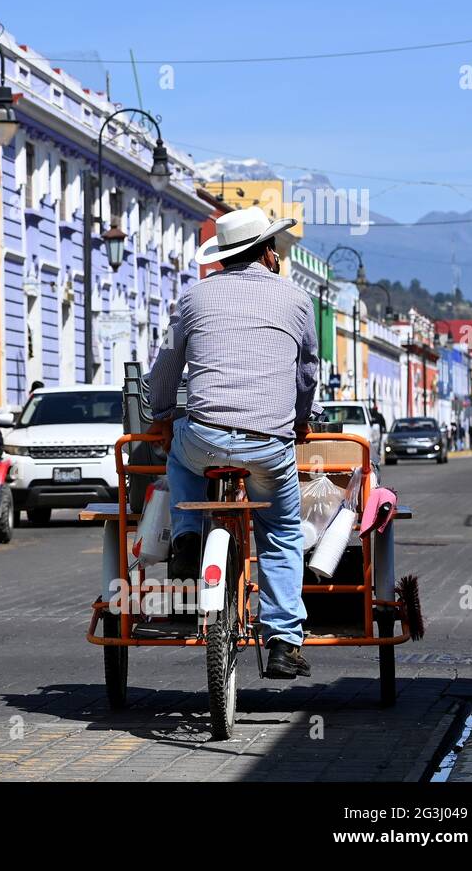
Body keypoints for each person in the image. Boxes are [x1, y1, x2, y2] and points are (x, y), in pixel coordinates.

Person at [148, 206, 319, 681]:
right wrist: (301, 420)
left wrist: (162, 417)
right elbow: (306, 373)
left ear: (224, 255)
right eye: (276, 249)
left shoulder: (194, 297)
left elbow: (164, 370)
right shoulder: (296, 299)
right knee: (281, 532)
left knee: (179, 452)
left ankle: (185, 535)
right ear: (266, 253)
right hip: (269, 445)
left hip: (203, 439)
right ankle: (284, 641)